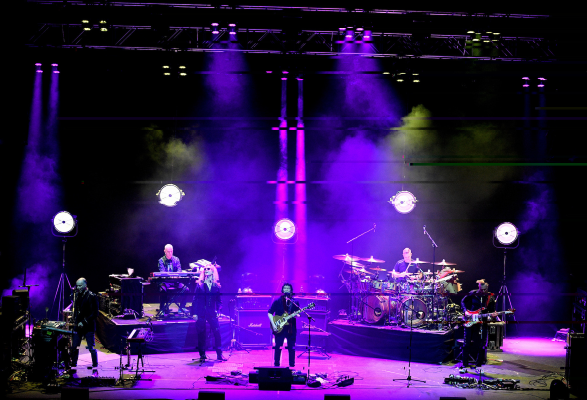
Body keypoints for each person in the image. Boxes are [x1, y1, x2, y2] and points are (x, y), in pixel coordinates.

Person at [460, 279, 498, 371]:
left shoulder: (490, 297)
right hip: (470, 319)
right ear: (479, 287)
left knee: (482, 344)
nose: (483, 291)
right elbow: (463, 301)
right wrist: (465, 311)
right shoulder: (473, 293)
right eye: (481, 290)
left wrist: (493, 315)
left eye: (485, 290)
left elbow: (492, 311)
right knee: (466, 342)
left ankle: (479, 364)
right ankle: (464, 364)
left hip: (482, 321)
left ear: (487, 288)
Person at [192, 264, 226, 362]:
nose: (206, 270)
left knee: (217, 332)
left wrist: (218, 310)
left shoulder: (216, 286)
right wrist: (194, 313)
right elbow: (195, 299)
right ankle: (202, 354)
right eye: (205, 269)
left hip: (212, 312)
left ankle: (219, 354)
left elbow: (219, 300)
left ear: (212, 271)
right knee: (201, 332)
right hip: (201, 312)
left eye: (208, 269)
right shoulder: (200, 285)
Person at [267, 283, 301, 368]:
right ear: (282, 290)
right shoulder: (277, 301)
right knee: (278, 347)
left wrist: (296, 315)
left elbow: (298, 313)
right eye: (285, 288)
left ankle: (292, 366)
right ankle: (276, 366)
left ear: (291, 290)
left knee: (292, 348)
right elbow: (270, 313)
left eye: (288, 288)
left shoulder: (295, 302)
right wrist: (273, 324)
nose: (286, 289)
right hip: (279, 328)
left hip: (291, 328)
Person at [70, 278, 99, 369]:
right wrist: (74, 318)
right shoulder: (77, 295)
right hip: (78, 325)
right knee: (74, 346)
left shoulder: (92, 296)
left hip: (88, 325)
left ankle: (95, 365)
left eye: (80, 286)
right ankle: (73, 364)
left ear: (85, 285)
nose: (78, 287)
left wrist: (84, 321)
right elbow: (76, 309)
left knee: (91, 347)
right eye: (77, 286)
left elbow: (95, 313)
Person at [157, 244, 188, 317]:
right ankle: (162, 308)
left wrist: (176, 275)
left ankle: (182, 307)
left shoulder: (176, 259)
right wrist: (171, 276)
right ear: (164, 251)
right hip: (166, 282)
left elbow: (179, 270)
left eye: (171, 251)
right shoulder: (161, 261)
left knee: (186, 289)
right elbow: (162, 272)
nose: (170, 253)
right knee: (162, 290)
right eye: (168, 251)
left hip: (175, 282)